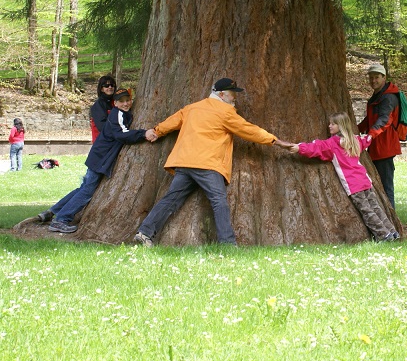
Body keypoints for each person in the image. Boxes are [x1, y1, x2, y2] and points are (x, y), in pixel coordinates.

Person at [134, 78, 292, 246]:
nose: (234, 98)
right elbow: (249, 130)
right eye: (232, 94)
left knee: (171, 199)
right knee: (219, 201)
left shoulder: (192, 107)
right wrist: (276, 141)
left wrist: (157, 131)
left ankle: (145, 233)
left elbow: (173, 121)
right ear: (222, 94)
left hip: (184, 162)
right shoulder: (225, 112)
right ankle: (228, 244)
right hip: (207, 164)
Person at [38, 88, 156, 234]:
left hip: (98, 156)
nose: (126, 103)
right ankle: (61, 219)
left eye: (128, 100)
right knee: (87, 191)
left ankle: (53, 211)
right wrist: (143, 133)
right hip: (101, 157)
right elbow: (122, 135)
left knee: (83, 188)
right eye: (122, 101)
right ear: (115, 103)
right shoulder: (117, 114)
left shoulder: (121, 114)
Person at [289, 112, 399, 242]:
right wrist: (371, 135)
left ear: (341, 126)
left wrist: (299, 148)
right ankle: (392, 232)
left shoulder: (332, 144)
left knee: (367, 211)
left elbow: (315, 147)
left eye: (333, 124)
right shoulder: (355, 140)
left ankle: (384, 235)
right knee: (375, 207)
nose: (329, 126)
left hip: (353, 184)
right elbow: (366, 140)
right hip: (364, 179)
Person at [357, 63, 401, 208]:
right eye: (371, 78)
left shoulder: (388, 97)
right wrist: (355, 130)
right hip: (376, 147)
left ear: (384, 78)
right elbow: (370, 121)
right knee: (377, 185)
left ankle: (392, 222)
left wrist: (370, 135)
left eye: (376, 77)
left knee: (386, 187)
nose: (373, 81)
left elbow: (385, 120)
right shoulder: (377, 95)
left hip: (385, 148)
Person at [90, 75, 117, 143]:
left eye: (112, 85)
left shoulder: (116, 102)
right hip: (102, 143)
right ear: (101, 89)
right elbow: (102, 126)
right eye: (106, 86)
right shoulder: (98, 105)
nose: (110, 87)